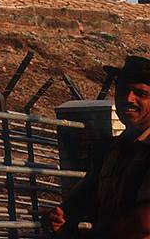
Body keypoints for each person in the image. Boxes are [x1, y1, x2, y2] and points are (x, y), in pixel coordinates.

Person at [42, 54, 150, 238]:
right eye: (123, 91)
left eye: (140, 93)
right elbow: (83, 198)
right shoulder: (113, 151)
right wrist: (59, 217)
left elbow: (144, 223)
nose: (129, 99)